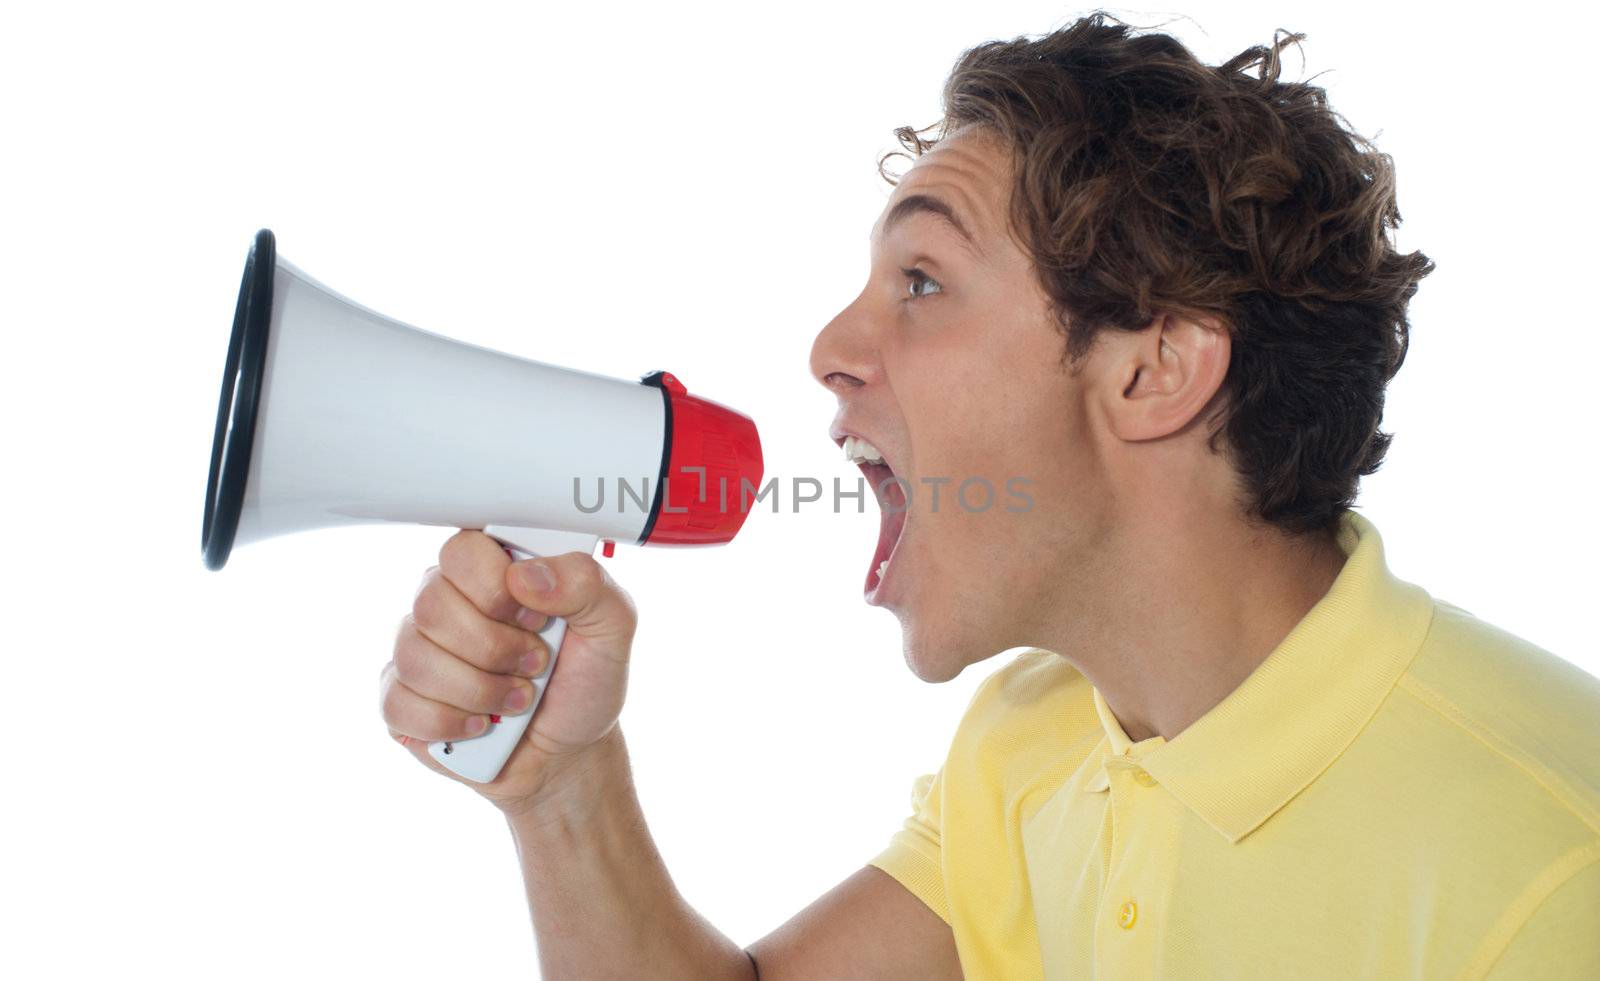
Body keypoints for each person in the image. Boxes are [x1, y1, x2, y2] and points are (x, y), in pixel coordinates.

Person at [376, 13, 1600, 978]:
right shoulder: (1032, 743)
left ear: (1151, 369)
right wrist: (562, 792)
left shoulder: (1549, 871)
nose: (828, 348)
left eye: (921, 280)